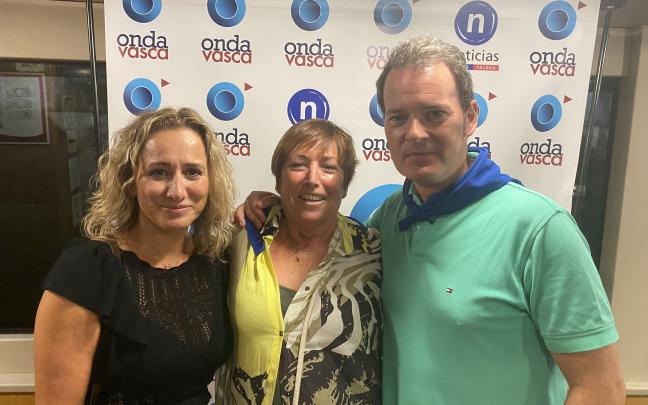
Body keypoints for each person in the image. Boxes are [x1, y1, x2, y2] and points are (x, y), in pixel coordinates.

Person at [239, 37, 625, 404]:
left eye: (434, 114)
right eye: (398, 117)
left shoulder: (540, 230)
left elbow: (601, 387)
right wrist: (269, 209)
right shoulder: (389, 219)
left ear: (470, 117)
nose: (415, 133)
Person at [34, 107, 236, 404]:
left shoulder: (214, 261)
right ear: (129, 182)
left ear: (210, 181)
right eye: (159, 172)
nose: (177, 191)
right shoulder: (88, 269)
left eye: (192, 172)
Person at [217, 119, 382, 404]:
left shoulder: (372, 251)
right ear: (279, 180)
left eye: (329, 167)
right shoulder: (242, 239)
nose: (312, 178)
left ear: (344, 184)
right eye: (298, 165)